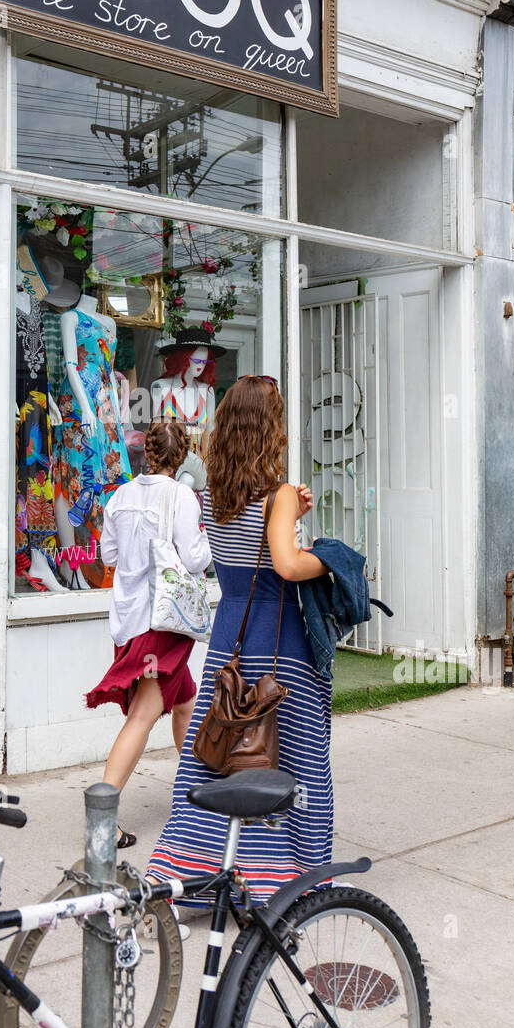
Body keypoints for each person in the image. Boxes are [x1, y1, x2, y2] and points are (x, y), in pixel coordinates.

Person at [146, 375, 331, 906]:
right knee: (295, 756)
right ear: (269, 431)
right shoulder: (276, 496)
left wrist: (293, 513)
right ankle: (290, 878)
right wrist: (333, 557)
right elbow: (286, 564)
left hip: (230, 635)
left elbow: (243, 552)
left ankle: (195, 872)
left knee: (220, 750)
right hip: (279, 640)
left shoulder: (216, 496)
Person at [87, 419, 211, 849]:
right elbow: (194, 559)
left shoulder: (120, 495)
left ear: (149, 453)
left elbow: (108, 554)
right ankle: (101, 823)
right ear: (182, 457)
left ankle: (200, 794)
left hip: (130, 619)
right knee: (143, 715)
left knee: (185, 703)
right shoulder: (182, 496)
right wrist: (212, 533)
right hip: (163, 622)